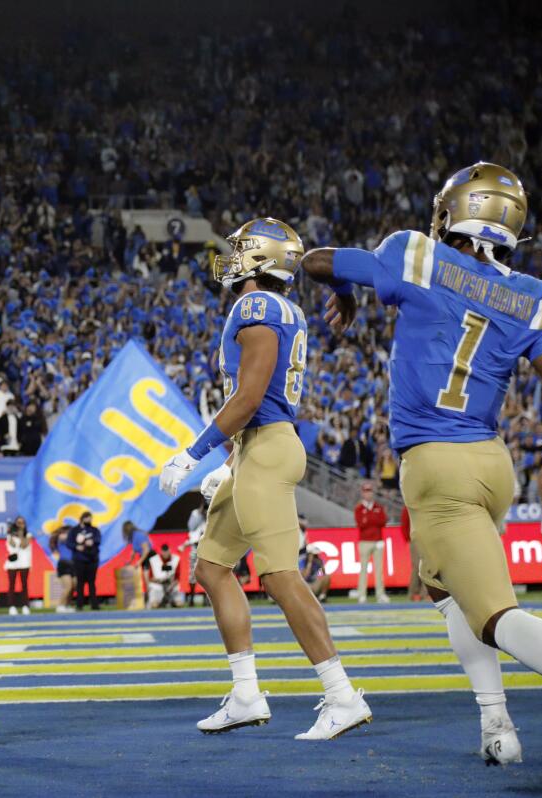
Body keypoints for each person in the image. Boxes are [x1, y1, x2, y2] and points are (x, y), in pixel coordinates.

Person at [304, 161, 542, 764]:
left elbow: (314, 259)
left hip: (438, 465)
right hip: (492, 463)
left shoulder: (417, 254)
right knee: (446, 591)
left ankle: (499, 724)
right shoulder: (532, 294)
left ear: (456, 212)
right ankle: (497, 726)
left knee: (494, 615)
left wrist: (344, 293)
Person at [161, 217, 371, 739]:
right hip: (256, 451)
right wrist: (230, 464)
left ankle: (342, 695)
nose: (229, 261)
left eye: (239, 253)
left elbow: (251, 397)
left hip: (268, 447)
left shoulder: (255, 306)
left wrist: (195, 453)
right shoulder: (281, 308)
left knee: (279, 577)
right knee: (211, 568)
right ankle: (246, 693)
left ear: (259, 261)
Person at [353, 481, 389, 604]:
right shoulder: (359, 508)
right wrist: (373, 518)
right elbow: (361, 524)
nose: (368, 494)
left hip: (378, 541)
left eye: (370, 491)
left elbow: (383, 521)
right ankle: (362, 595)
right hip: (364, 542)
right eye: (366, 491)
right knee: (363, 570)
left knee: (379, 570)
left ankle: (380, 594)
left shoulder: (378, 507)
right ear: (362, 493)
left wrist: (369, 518)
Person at [68, 511, 100, 611]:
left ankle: (94, 604)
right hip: (79, 559)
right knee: (80, 583)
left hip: (92, 559)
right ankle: (79, 604)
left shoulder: (94, 530)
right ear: (82, 519)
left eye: (90, 518)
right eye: (87, 518)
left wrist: (92, 542)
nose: (89, 520)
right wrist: (77, 546)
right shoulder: (74, 530)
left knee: (92, 582)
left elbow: (98, 540)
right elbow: (69, 543)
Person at [4, 519, 32, 616]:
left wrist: (21, 534)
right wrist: (12, 533)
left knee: (24, 585)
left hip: (24, 563)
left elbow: (24, 545)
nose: (20, 525)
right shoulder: (10, 535)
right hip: (12, 563)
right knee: (12, 585)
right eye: (18, 523)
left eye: (22, 523)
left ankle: (25, 606)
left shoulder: (28, 535)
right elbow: (12, 544)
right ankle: (12, 606)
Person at [147, 543, 184, 608]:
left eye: (167, 551)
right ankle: (160, 603)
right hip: (158, 587)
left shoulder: (176, 559)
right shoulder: (153, 560)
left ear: (170, 551)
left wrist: (171, 584)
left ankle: (171, 603)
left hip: (171, 588)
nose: (165, 553)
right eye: (164, 551)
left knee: (179, 604)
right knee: (154, 605)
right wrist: (160, 580)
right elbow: (150, 578)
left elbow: (177, 578)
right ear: (161, 551)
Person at [48, 524, 76, 613]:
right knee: (67, 586)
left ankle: (67, 604)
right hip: (64, 564)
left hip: (74, 564)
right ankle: (60, 605)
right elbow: (62, 537)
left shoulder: (74, 540)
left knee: (74, 586)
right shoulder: (62, 538)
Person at [400, 506, 424, 602]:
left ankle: (425, 593)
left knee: (428, 567)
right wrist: (408, 540)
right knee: (417, 567)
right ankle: (413, 593)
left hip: (426, 539)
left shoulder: (424, 505)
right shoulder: (408, 506)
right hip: (414, 540)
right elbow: (405, 524)